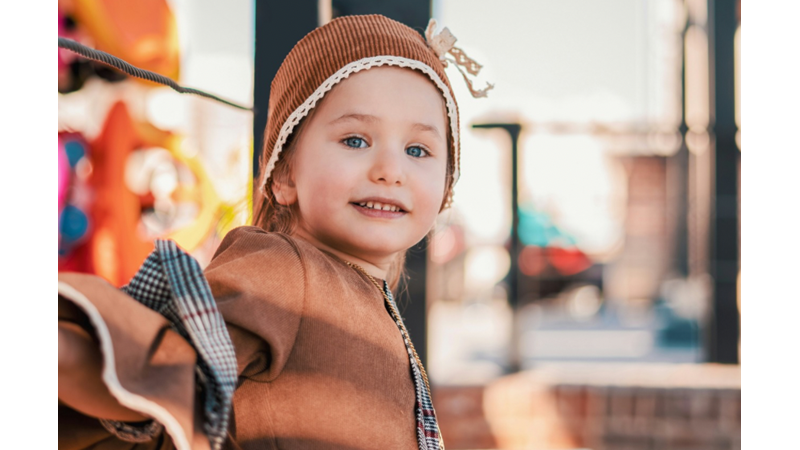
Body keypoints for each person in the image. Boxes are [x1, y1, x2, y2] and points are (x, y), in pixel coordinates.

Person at [58, 14, 491, 450]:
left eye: (418, 150)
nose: (390, 171)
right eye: (356, 140)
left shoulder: (366, 297)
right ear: (284, 174)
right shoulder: (286, 271)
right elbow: (154, 367)